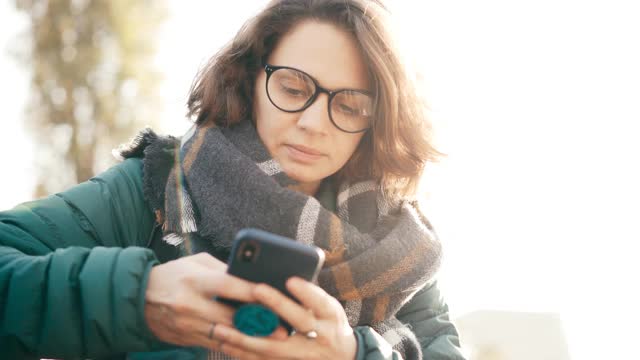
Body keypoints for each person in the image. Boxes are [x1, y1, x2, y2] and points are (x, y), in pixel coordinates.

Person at [0, 0, 465, 359]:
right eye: (293, 88)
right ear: (250, 78)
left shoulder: (399, 247)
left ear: (378, 121)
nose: (313, 121)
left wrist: (351, 353)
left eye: (348, 106)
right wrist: (139, 298)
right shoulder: (154, 191)